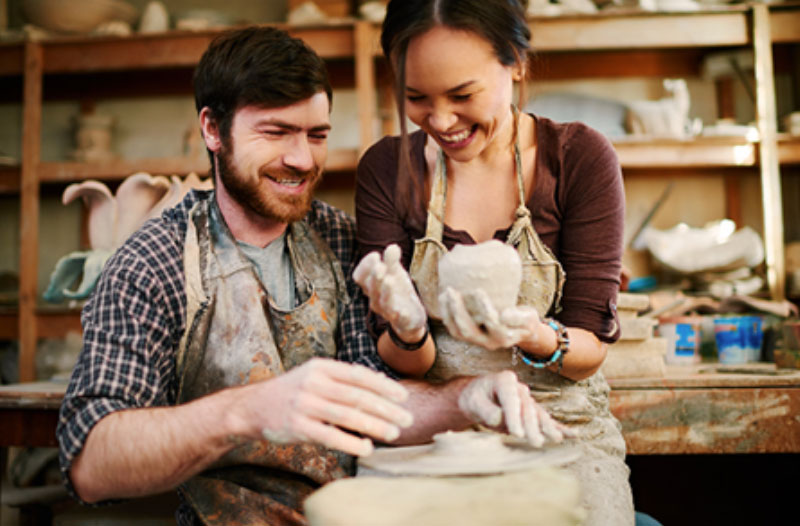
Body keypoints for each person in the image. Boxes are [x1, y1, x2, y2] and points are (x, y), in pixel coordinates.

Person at [56, 26, 566, 526]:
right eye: (275, 133)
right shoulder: (154, 261)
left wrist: (464, 399)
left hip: (353, 513)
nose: (301, 159)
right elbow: (89, 462)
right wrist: (248, 409)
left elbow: (377, 404)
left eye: (316, 135)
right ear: (213, 129)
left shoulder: (342, 241)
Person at [353, 1, 636, 524]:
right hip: (436, 421)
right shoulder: (387, 168)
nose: (440, 121)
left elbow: (589, 352)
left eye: (463, 95)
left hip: (554, 419)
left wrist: (536, 336)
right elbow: (402, 360)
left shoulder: (578, 158)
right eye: (416, 98)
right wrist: (408, 328)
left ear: (517, 64)